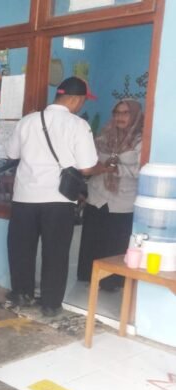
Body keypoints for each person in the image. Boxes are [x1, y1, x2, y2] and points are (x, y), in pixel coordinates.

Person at [6, 76, 98, 318]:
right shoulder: (78, 125)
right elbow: (87, 167)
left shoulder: (27, 120)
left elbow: (12, 153)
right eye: (83, 101)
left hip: (24, 197)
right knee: (55, 252)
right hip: (58, 200)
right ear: (76, 100)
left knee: (21, 249)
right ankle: (50, 304)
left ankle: (22, 294)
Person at [77, 99, 143, 291]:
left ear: (135, 115)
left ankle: (111, 282)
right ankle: (88, 276)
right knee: (93, 239)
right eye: (117, 113)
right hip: (97, 196)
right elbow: (90, 160)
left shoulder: (141, 141)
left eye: (125, 113)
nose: (120, 117)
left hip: (122, 201)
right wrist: (98, 168)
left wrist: (116, 169)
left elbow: (141, 169)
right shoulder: (103, 136)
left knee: (115, 242)